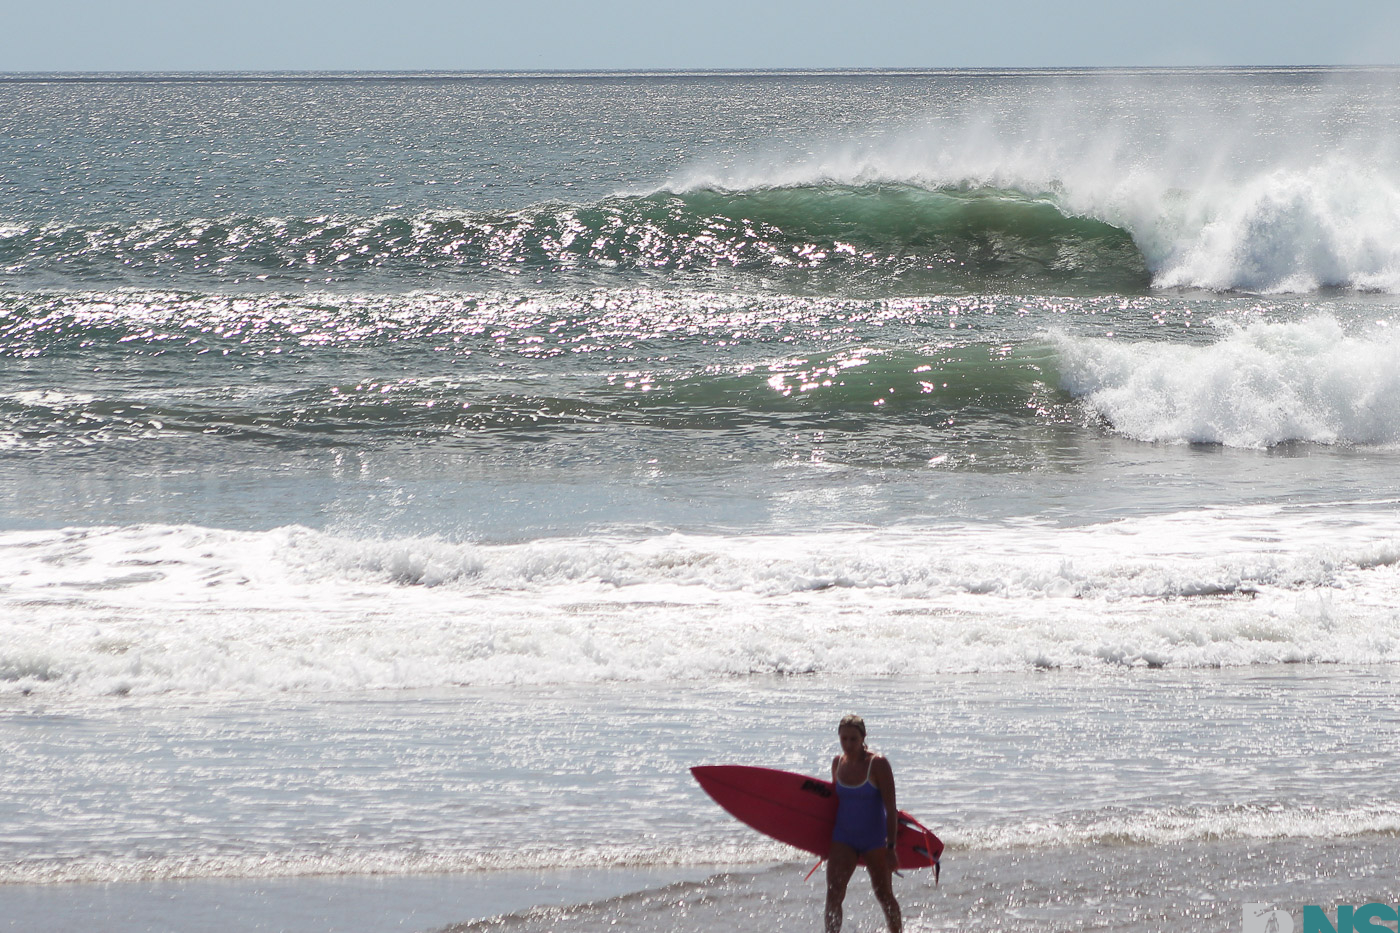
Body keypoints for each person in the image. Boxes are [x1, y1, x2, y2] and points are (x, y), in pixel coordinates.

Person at [825, 714, 902, 933]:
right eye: (844, 739)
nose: (848, 745)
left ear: (863, 738)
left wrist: (891, 847)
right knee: (834, 893)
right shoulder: (837, 763)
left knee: (883, 894)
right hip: (843, 837)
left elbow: (890, 809)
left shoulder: (878, 764)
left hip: (874, 840)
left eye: (853, 739)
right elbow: (832, 806)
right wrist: (821, 844)